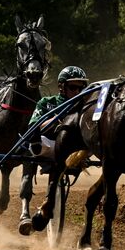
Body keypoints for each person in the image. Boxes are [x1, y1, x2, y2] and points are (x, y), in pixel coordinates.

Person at [18, 66, 89, 232]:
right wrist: (54, 122)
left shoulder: (84, 107)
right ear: (62, 87)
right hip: (47, 145)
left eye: (81, 87)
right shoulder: (47, 103)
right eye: (73, 87)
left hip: (73, 151)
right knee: (37, 142)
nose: (77, 91)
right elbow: (33, 126)